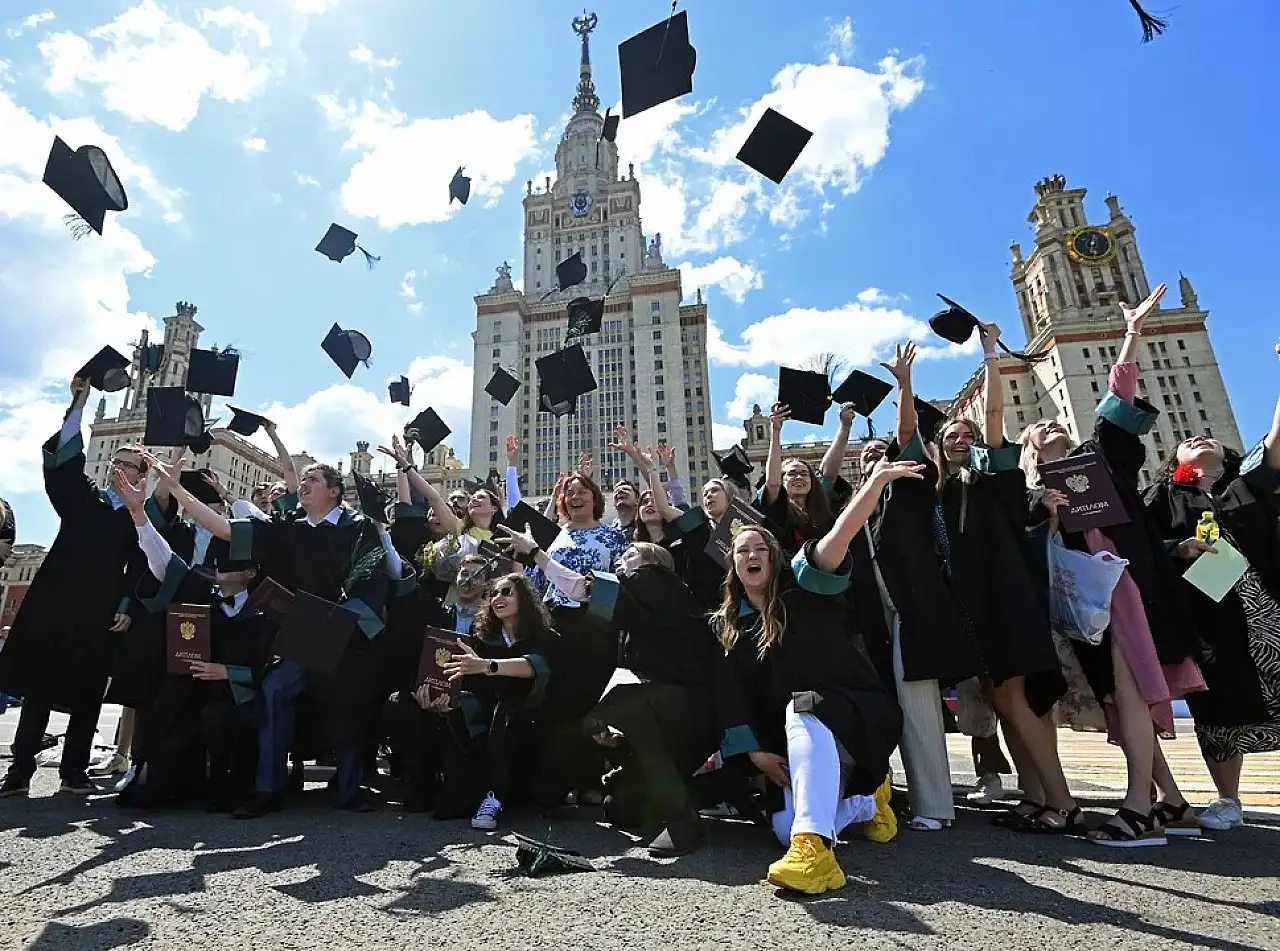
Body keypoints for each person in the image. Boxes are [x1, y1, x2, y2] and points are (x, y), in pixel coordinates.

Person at [1021, 283, 1206, 846]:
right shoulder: (1030, 496)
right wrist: (1044, 513)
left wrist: (1131, 333)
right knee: (1117, 698)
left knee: (1130, 689)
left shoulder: (1096, 458)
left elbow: (1117, 404)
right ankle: (1172, 800)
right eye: (1040, 429)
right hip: (1079, 608)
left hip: (1125, 590)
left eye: (1056, 423)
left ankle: (1138, 807)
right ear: (1030, 451)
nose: (1051, 426)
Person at [709, 460, 917, 896]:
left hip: (855, 713)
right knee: (784, 826)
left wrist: (874, 484)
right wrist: (756, 754)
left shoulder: (803, 587)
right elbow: (731, 696)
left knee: (802, 707)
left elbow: (840, 536)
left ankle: (815, 857)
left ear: (776, 557)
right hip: (797, 743)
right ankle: (866, 802)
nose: (751, 555)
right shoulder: (730, 627)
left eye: (760, 548)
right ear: (733, 566)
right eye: (742, 551)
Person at [146, 454, 389, 816]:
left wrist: (342, 622)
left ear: (335, 492)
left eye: (313, 480)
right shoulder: (287, 528)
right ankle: (268, 789)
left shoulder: (358, 529)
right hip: (301, 637)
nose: (303, 485)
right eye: (302, 480)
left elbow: (372, 582)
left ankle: (350, 790)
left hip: (345, 637)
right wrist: (177, 489)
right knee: (275, 689)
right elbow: (227, 529)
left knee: (345, 706)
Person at [935, 321, 1079, 834]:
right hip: (978, 608)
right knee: (1008, 701)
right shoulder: (941, 494)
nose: (960, 440)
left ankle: (1061, 804)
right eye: (950, 436)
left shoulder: (992, 477)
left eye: (967, 436)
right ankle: (1035, 796)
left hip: (1006, 602)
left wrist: (991, 355)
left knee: (1016, 700)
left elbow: (994, 414)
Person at [502, 532, 718, 856]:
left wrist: (535, 552)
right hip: (675, 725)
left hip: (692, 710)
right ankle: (716, 788)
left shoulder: (653, 576)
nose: (621, 561)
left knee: (622, 707)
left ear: (652, 562)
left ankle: (684, 823)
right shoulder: (643, 610)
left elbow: (581, 589)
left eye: (630, 554)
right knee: (621, 807)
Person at [1142, 350, 1280, 832]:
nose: (1198, 438)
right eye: (1187, 441)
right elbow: (1140, 545)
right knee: (1220, 704)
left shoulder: (1249, 484)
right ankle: (1228, 798)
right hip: (1209, 617)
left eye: (1208, 438)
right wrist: (1176, 548)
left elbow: (1276, 441)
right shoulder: (1163, 498)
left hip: (1268, 608)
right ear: (1174, 463)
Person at [0, 376, 148, 798]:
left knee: (87, 692)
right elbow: (63, 463)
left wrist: (126, 606)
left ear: (142, 475)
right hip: (56, 605)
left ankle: (74, 772)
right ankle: (20, 770)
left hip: (100, 611)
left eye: (127, 464)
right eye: (114, 461)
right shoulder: (85, 499)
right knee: (39, 691)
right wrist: (78, 405)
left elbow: (140, 568)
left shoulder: (139, 518)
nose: (117, 468)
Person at [853, 341, 978, 831]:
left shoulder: (909, 486)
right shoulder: (862, 511)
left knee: (919, 706)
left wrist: (904, 386)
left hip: (914, 612)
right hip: (878, 622)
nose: (874, 459)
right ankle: (894, 798)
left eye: (880, 453)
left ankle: (935, 807)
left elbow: (906, 434)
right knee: (894, 707)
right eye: (866, 458)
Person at [110, 469, 272, 811]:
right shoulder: (204, 595)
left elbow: (268, 669)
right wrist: (139, 515)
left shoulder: (264, 612)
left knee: (220, 718)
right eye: (218, 564)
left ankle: (232, 789)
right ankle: (159, 778)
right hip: (195, 695)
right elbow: (164, 561)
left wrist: (226, 672)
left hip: (242, 699)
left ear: (251, 572)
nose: (220, 568)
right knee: (170, 719)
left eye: (230, 564)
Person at [435, 572, 557, 831]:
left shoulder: (544, 636)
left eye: (506, 592)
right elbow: (472, 682)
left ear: (524, 598)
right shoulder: (483, 637)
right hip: (488, 717)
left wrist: (487, 665)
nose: (498, 598)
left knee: (506, 708)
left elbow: (535, 667)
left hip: (533, 718)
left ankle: (494, 796)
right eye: (493, 594)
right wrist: (448, 699)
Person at [759, 408, 836, 555]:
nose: (799, 477)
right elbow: (773, 484)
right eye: (792, 474)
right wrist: (775, 431)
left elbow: (829, 474)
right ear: (782, 480)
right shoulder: (778, 510)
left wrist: (845, 426)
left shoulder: (824, 513)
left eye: (804, 474)